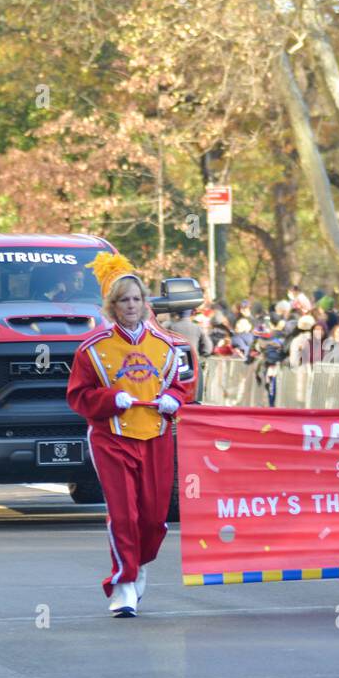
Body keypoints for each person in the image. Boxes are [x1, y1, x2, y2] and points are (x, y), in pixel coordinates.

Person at [66, 253, 190, 617]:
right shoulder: (92, 348)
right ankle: (122, 583)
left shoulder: (166, 345)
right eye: (123, 300)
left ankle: (138, 564)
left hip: (155, 436)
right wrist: (108, 399)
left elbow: (182, 385)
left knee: (153, 518)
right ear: (112, 306)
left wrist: (172, 398)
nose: (131, 306)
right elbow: (78, 396)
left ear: (145, 303)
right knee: (123, 514)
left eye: (136, 298)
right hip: (112, 438)